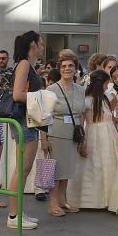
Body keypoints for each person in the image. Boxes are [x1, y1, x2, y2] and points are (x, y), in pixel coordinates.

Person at [5, 30, 47, 229]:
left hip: (29, 120)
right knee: (22, 169)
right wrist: (41, 98)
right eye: (41, 43)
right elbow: (17, 94)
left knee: (24, 169)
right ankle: (14, 215)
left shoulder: (28, 65)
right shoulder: (23, 65)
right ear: (33, 45)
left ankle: (17, 212)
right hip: (24, 121)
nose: (43, 47)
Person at [72, 70, 118, 212]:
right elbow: (81, 120)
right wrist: (83, 141)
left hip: (109, 134)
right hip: (95, 133)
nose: (108, 86)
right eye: (106, 83)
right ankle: (94, 198)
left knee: (108, 163)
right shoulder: (88, 100)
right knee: (95, 164)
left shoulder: (104, 98)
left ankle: (109, 198)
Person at [45, 49, 86, 216]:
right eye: (64, 66)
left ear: (76, 68)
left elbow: (82, 114)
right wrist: (43, 139)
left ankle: (63, 200)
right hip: (56, 133)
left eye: (70, 65)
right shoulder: (51, 89)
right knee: (56, 171)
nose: (67, 68)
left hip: (73, 134)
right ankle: (53, 202)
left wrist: (83, 138)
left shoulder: (80, 89)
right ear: (59, 69)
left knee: (67, 170)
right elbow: (44, 116)